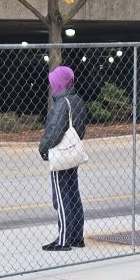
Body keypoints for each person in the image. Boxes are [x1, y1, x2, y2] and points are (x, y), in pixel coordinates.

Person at [38, 64, 88, 252]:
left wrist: (42, 148)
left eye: (52, 83)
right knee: (73, 194)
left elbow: (54, 132)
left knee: (61, 197)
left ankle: (63, 240)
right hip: (72, 154)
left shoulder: (61, 104)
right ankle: (77, 236)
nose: (51, 87)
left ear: (58, 83)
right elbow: (80, 129)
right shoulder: (77, 100)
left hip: (60, 155)